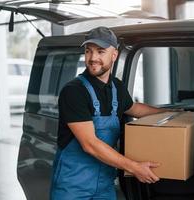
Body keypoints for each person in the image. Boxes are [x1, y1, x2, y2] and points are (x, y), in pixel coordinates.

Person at [50, 26, 170, 200]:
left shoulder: (117, 87)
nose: (93, 58)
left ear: (114, 55)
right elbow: (89, 144)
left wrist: (172, 113)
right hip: (72, 188)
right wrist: (134, 167)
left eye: (100, 52)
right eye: (88, 51)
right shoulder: (74, 91)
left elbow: (135, 108)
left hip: (104, 186)